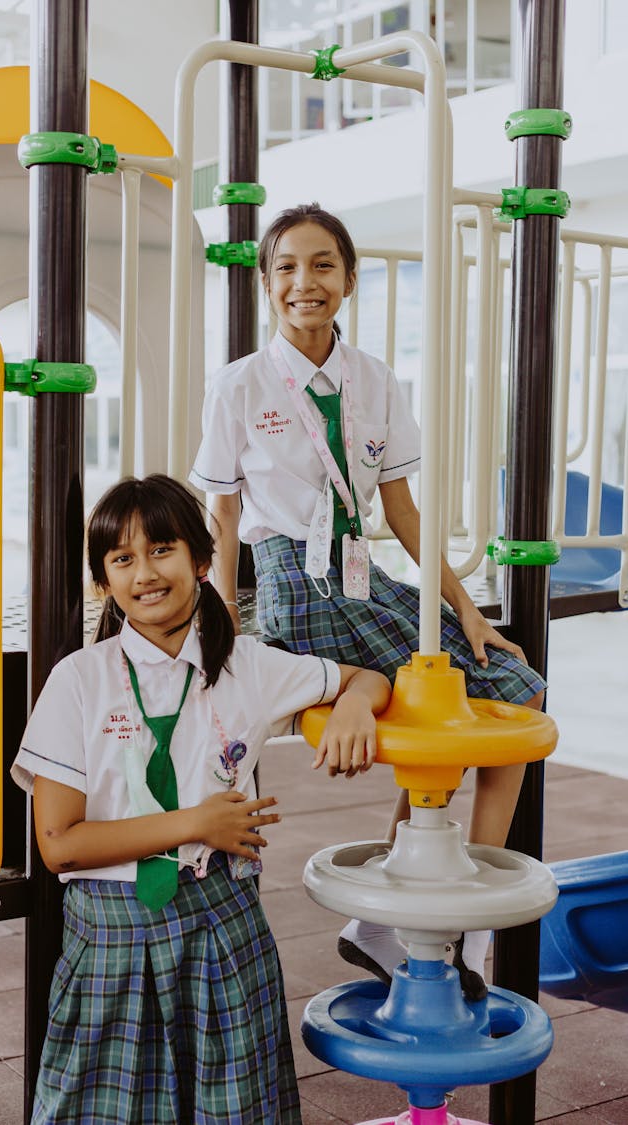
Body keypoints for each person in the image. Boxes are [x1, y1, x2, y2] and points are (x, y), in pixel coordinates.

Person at [189, 202, 547, 1001]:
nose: (302, 282)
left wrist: (468, 614)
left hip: (365, 581)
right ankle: (437, 928)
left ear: (348, 280)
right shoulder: (240, 386)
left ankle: (435, 918)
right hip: (294, 589)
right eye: (285, 267)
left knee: (517, 694)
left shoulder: (375, 379)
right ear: (266, 284)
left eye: (321, 265)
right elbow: (224, 518)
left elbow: (403, 511)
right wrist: (217, 635)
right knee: (451, 709)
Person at [12, 473, 391, 1125]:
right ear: (104, 581)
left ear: (202, 558)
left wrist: (355, 702)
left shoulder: (249, 665)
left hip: (222, 921)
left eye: (161, 548)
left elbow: (368, 676)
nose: (144, 571)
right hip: (114, 933)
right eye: (122, 558)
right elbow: (59, 844)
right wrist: (196, 822)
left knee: (231, 1106)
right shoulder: (79, 680)